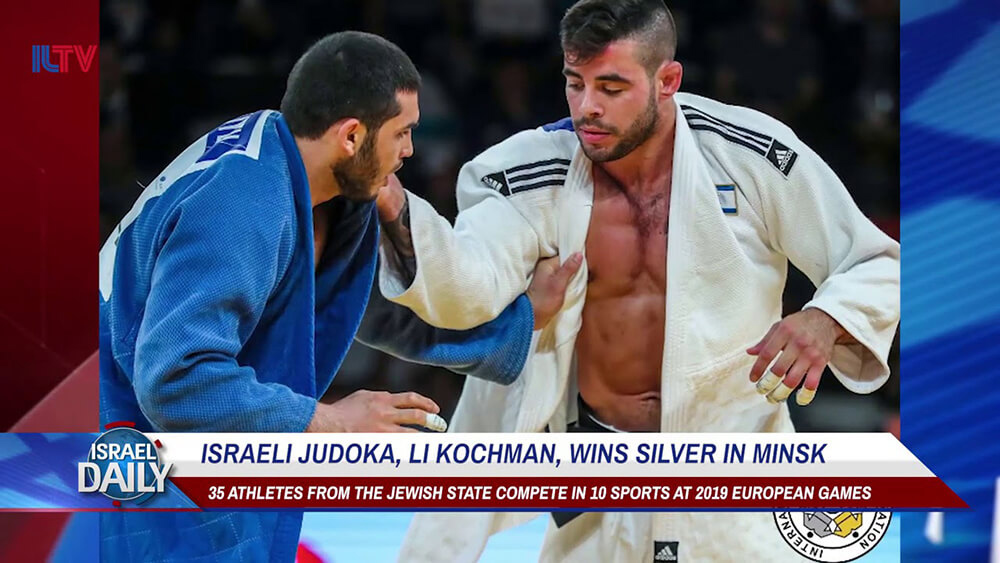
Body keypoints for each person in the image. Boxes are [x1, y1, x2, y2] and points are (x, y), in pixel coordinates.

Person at [374, 0, 900, 560]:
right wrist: (399, 211)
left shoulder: (750, 154)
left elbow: (873, 260)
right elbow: (468, 281)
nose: (587, 108)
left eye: (612, 87)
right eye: (574, 83)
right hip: (598, 477)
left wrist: (824, 318)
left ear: (667, 80)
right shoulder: (530, 170)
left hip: (735, 473)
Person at [97, 31, 576, 562]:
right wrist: (328, 422)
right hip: (120, 445)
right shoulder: (242, 201)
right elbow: (175, 379)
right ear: (351, 136)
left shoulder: (313, 181)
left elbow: (371, 309)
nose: (409, 151)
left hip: (184, 459)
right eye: (402, 133)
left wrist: (521, 323)